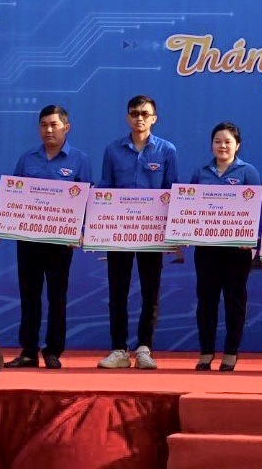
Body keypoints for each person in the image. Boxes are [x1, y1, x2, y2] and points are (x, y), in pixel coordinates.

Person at [3, 104, 94, 369]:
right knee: (29, 295)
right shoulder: (27, 159)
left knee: (57, 296)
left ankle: (53, 351)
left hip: (60, 242)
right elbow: (13, 197)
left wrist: (80, 230)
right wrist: (0, 227)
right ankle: (28, 351)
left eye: (54, 125)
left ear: (66, 127)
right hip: (28, 240)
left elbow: (87, 199)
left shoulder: (80, 160)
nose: (49, 130)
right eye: (44, 125)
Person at [96, 95, 179, 371]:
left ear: (154, 118)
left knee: (150, 291)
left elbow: (172, 191)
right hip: (119, 232)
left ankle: (145, 348)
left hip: (152, 233)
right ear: (127, 117)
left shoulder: (167, 150)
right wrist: (97, 227)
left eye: (145, 113)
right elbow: (105, 188)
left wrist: (175, 235)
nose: (139, 118)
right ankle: (118, 349)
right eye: (134, 113)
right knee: (117, 291)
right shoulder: (112, 150)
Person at [184, 122, 262, 372]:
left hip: (237, 251)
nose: (222, 146)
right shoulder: (201, 173)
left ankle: (230, 353)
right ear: (211, 145)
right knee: (206, 301)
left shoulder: (248, 172)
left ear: (237, 145)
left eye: (228, 142)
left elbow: (256, 209)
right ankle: (206, 352)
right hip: (206, 250)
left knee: (234, 301)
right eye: (217, 141)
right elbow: (188, 207)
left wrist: (250, 238)